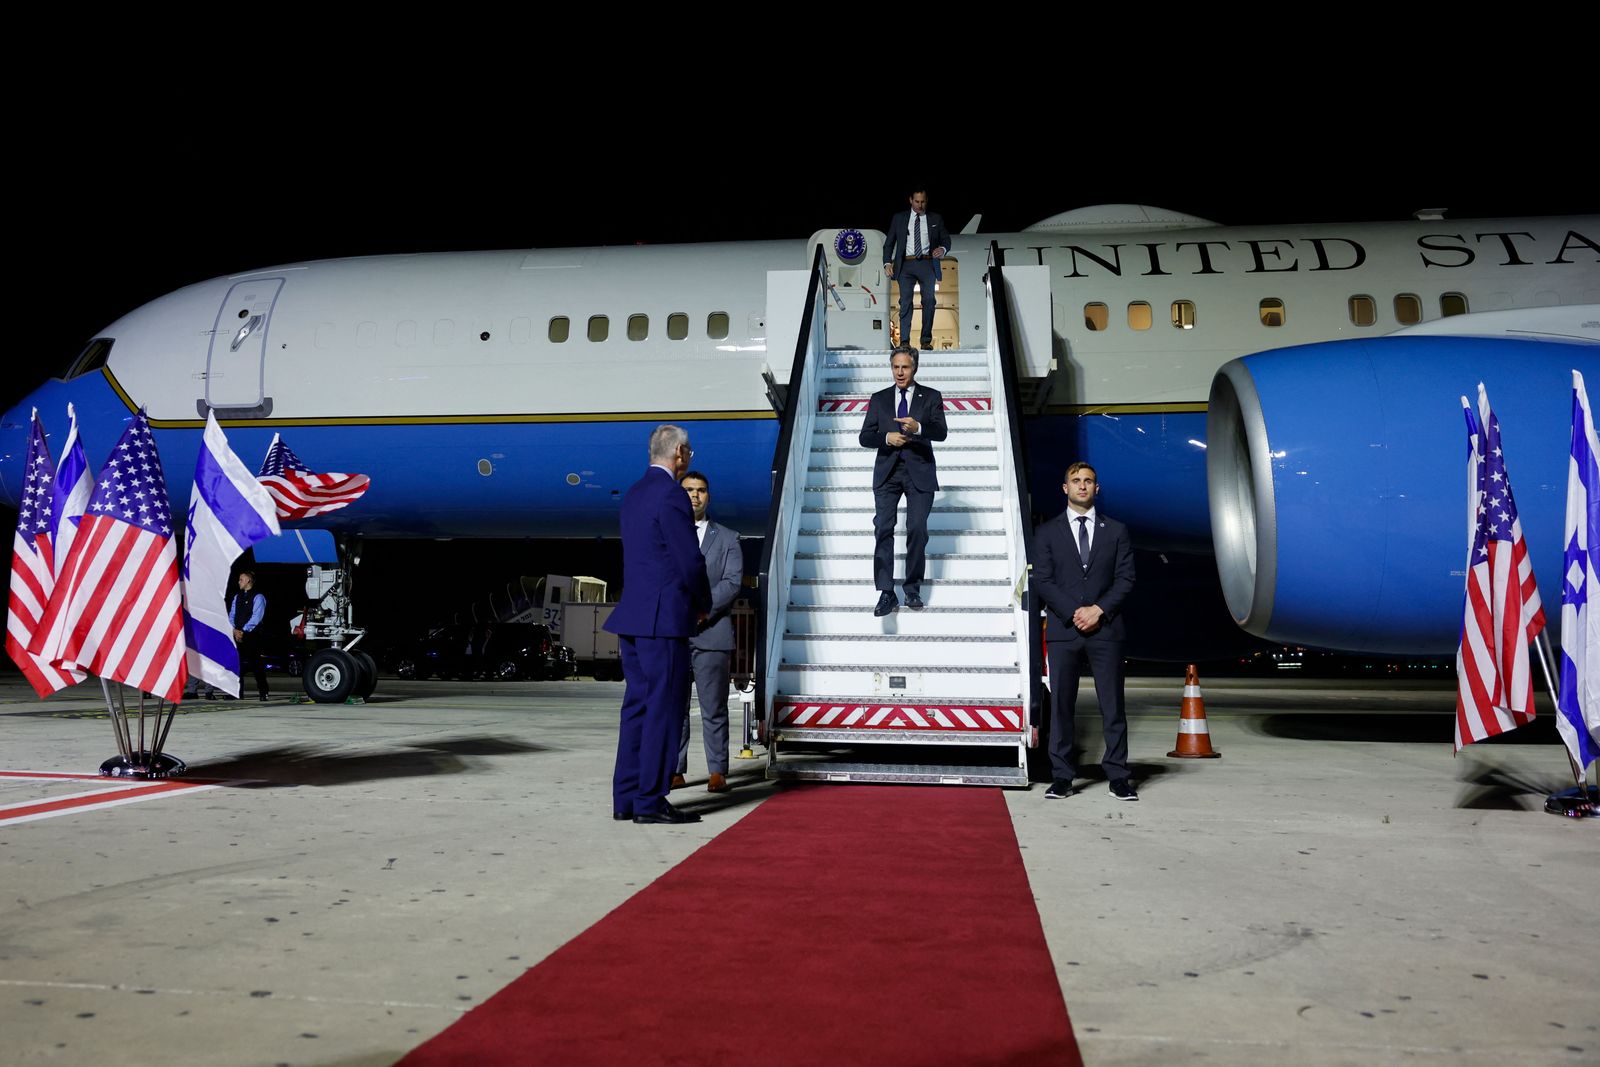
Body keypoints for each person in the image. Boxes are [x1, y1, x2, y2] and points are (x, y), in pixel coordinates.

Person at [604, 425, 712, 825]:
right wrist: (703, 602)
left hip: (633, 618)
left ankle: (626, 797)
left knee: (636, 708)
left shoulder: (633, 493)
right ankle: (650, 800)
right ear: (680, 452)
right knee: (663, 711)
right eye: (690, 453)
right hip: (663, 622)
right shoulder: (672, 495)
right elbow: (688, 559)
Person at [1032, 462, 1138, 800]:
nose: (1082, 486)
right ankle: (1062, 776)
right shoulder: (1047, 532)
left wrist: (1099, 610)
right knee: (1062, 706)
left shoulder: (1116, 530)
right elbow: (1043, 581)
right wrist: (1073, 612)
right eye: (1075, 481)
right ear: (1065, 488)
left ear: (1097, 488)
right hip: (1065, 631)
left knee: (1113, 706)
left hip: (1105, 630)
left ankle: (1118, 775)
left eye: (1088, 481)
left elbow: (1126, 579)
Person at [859, 346, 948, 616]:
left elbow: (941, 432)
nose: (900, 372)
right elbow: (865, 436)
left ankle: (912, 589)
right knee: (883, 529)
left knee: (917, 529)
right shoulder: (879, 398)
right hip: (887, 472)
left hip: (919, 471)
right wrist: (887, 437)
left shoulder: (931, 396)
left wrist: (918, 428)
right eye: (895, 367)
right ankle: (886, 592)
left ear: (914, 368)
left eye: (905, 367)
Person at [672, 471, 743, 794]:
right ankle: (674, 768)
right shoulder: (667, 535)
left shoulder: (728, 538)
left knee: (714, 708)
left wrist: (702, 611)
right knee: (675, 706)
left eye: (700, 491)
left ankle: (717, 770)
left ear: (708, 497)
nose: (694, 496)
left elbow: (732, 583)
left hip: (712, 632)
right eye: (688, 490)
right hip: (673, 633)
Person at [882, 188, 951, 351]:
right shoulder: (899, 218)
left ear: (926, 201)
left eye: (923, 202)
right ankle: (904, 341)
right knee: (905, 302)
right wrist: (887, 263)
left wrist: (943, 249)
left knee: (929, 300)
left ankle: (925, 340)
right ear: (910, 200)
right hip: (905, 265)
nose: (920, 205)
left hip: (927, 264)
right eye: (917, 201)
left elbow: (946, 239)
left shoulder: (935, 218)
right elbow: (889, 242)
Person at [230, 570, 269, 701]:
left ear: (248, 581)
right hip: (237, 634)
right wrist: (234, 630)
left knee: (256, 664)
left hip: (252, 636)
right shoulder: (237, 596)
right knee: (236, 664)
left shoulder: (258, 597)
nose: (239, 582)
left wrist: (244, 630)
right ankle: (236, 692)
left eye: (241, 579)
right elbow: (232, 614)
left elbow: (257, 616)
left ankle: (263, 692)